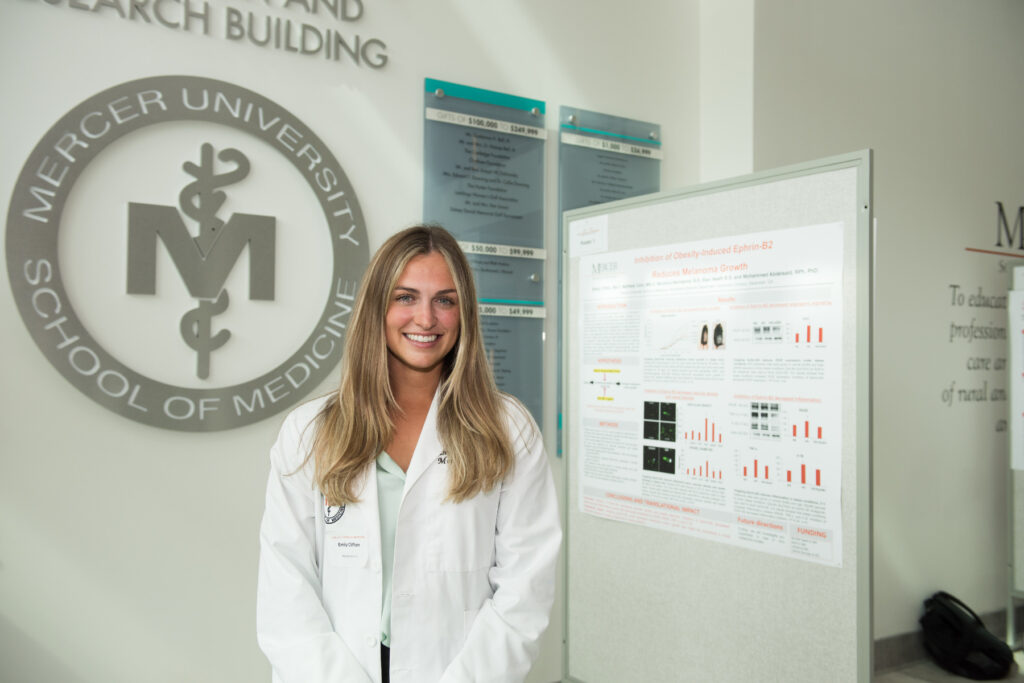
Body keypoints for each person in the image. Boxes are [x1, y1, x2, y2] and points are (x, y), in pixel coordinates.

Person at [256, 225, 561, 683]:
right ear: (377, 308)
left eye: (445, 299)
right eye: (405, 297)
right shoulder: (309, 433)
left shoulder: (508, 430)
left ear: (464, 314)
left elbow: (525, 590)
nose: (426, 318)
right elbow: (287, 588)